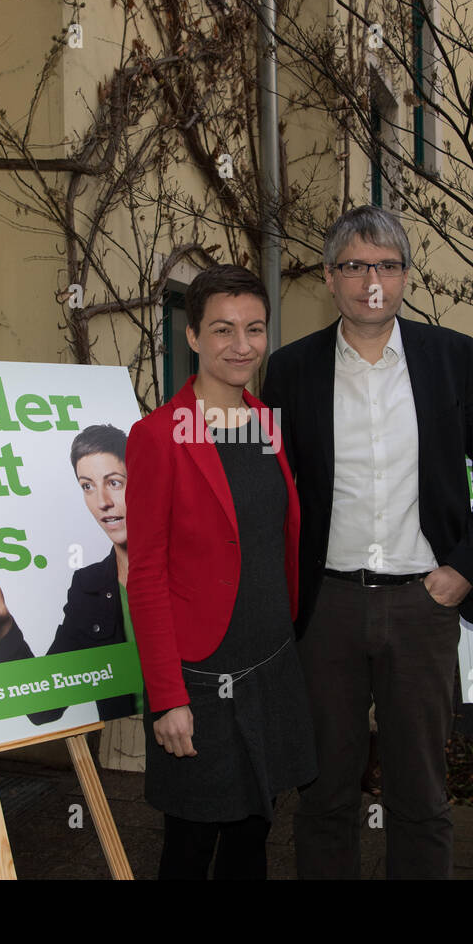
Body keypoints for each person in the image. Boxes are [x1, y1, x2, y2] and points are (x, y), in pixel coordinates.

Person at [261, 205, 473, 879]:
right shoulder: (291, 369)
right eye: (354, 265)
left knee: (421, 797)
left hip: (423, 606)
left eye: (385, 264)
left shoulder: (452, 358)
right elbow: (274, 490)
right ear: (329, 277)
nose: (370, 280)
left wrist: (466, 568)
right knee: (322, 795)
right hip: (325, 609)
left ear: (406, 275)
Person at [125, 263, 317, 880]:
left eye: (255, 329)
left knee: (252, 840)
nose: (242, 346)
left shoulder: (267, 424)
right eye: (223, 330)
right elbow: (146, 573)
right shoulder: (157, 437)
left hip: (269, 663)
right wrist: (167, 698)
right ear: (193, 336)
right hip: (202, 678)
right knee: (189, 843)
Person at [0, 425, 140, 723]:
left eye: (114, 482)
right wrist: (3, 624)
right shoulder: (89, 588)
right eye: (87, 486)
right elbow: (45, 705)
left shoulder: (195, 568)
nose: (102, 501)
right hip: (133, 752)